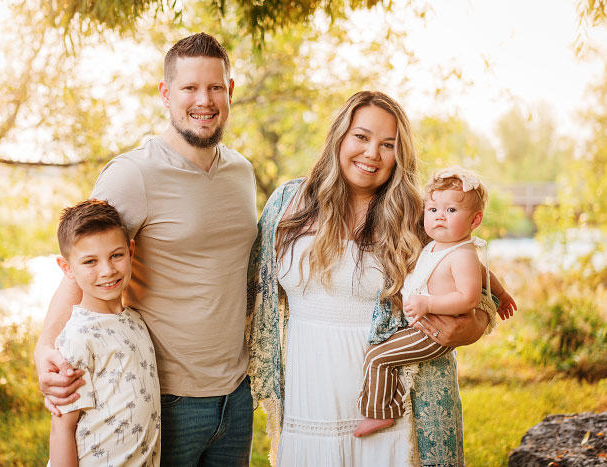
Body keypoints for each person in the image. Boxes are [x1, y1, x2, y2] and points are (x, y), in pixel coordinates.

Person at [35, 33, 257, 466]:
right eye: (190, 88)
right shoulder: (132, 174)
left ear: (229, 91)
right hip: (163, 398)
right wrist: (46, 348)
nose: (204, 100)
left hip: (236, 396)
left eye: (215, 87)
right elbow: (85, 265)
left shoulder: (241, 172)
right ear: (165, 93)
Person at [246, 91, 492, 466]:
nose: (372, 153)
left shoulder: (419, 214)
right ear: (339, 137)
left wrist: (473, 324)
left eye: (387, 144)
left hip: (396, 408)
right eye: (361, 137)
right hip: (308, 399)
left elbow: (478, 288)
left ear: (400, 154)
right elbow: (250, 288)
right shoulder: (288, 202)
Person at [354, 167, 517, 438]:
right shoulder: (439, 245)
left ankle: (380, 412)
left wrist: (428, 304)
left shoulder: (462, 253)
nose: (440, 216)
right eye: (432, 210)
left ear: (475, 220)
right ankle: (387, 400)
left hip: (433, 332)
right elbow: (485, 272)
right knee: (382, 352)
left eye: (451, 210)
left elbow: (468, 299)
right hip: (422, 325)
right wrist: (504, 294)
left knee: (378, 357)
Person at [49, 199, 160, 466]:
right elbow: (62, 427)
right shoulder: (78, 337)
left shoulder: (135, 320)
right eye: (90, 261)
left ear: (131, 251)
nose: (107, 270)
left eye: (116, 255)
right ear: (67, 268)